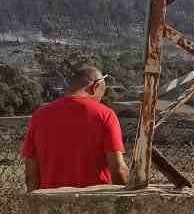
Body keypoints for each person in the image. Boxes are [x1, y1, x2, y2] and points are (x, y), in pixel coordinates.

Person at [21, 64, 129, 192]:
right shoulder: (105, 114)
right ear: (95, 87)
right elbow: (117, 168)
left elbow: (31, 173)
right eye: (102, 94)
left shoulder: (39, 116)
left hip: (51, 203)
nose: (100, 100)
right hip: (96, 202)